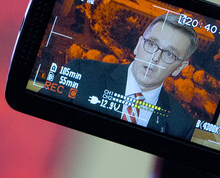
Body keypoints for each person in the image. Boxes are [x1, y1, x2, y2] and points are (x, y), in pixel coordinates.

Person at [56, 13, 198, 140]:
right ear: (138, 45)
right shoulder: (81, 73)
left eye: (169, 54)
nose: (155, 58)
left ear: (179, 67)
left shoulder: (183, 126)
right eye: (151, 44)